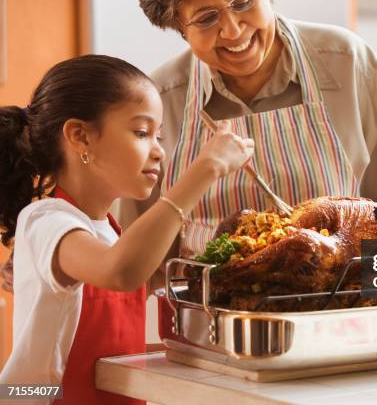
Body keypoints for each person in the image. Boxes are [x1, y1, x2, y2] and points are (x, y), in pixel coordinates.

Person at [124, 0, 377, 262]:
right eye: (207, 18)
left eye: (242, 2)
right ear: (179, 27)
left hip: (342, 303)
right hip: (211, 316)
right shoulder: (161, 99)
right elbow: (138, 248)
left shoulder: (347, 62)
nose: (233, 30)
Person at [0, 55, 253, 404]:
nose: (159, 152)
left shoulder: (111, 233)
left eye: (159, 136)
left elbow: (111, 352)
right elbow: (120, 271)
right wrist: (204, 170)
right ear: (80, 136)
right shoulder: (45, 221)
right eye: (141, 132)